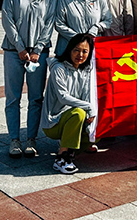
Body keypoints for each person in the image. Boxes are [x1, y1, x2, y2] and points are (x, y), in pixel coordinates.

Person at [1, 0, 58, 158]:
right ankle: (14, 139)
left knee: (35, 98)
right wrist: (20, 48)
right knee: (13, 98)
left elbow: (49, 22)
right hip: (13, 52)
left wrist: (37, 49)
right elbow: (7, 19)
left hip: (38, 54)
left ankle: (31, 139)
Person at [42, 33, 96, 174]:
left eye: (85, 51)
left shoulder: (85, 71)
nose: (80, 55)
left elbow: (86, 97)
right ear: (69, 50)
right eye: (76, 50)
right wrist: (89, 107)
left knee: (97, 126)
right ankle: (61, 158)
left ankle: (70, 149)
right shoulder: (58, 68)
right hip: (54, 123)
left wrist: (91, 115)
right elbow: (63, 97)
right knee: (78, 113)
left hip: (73, 119)